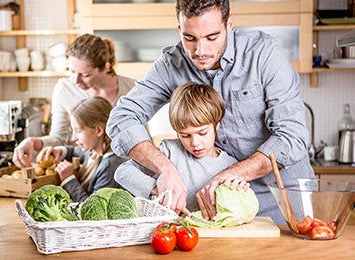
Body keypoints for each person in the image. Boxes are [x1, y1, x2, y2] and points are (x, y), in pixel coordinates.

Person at [106, 0, 315, 224]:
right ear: (179, 29)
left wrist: (231, 174)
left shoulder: (263, 54)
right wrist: (165, 170)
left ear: (229, 25)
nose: (200, 51)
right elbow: (121, 119)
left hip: (283, 196)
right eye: (189, 38)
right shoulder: (170, 65)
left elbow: (291, 137)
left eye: (212, 37)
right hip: (218, 206)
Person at [115, 82, 249, 212]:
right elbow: (122, 172)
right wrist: (158, 188)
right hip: (169, 231)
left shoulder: (231, 166)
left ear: (216, 125)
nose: (195, 142)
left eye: (202, 133)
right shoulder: (169, 151)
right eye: (185, 135)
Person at [13, 33, 136, 168]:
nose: (75, 81)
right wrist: (33, 142)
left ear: (106, 67)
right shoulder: (64, 89)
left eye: (85, 75)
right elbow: (58, 138)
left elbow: (140, 138)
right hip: (87, 173)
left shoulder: (132, 89)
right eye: (72, 71)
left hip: (128, 172)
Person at [37, 96, 125, 202]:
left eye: (78, 131)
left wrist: (68, 179)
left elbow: (94, 210)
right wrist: (59, 151)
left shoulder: (110, 166)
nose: (73, 138)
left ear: (98, 131)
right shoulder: (92, 152)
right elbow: (74, 151)